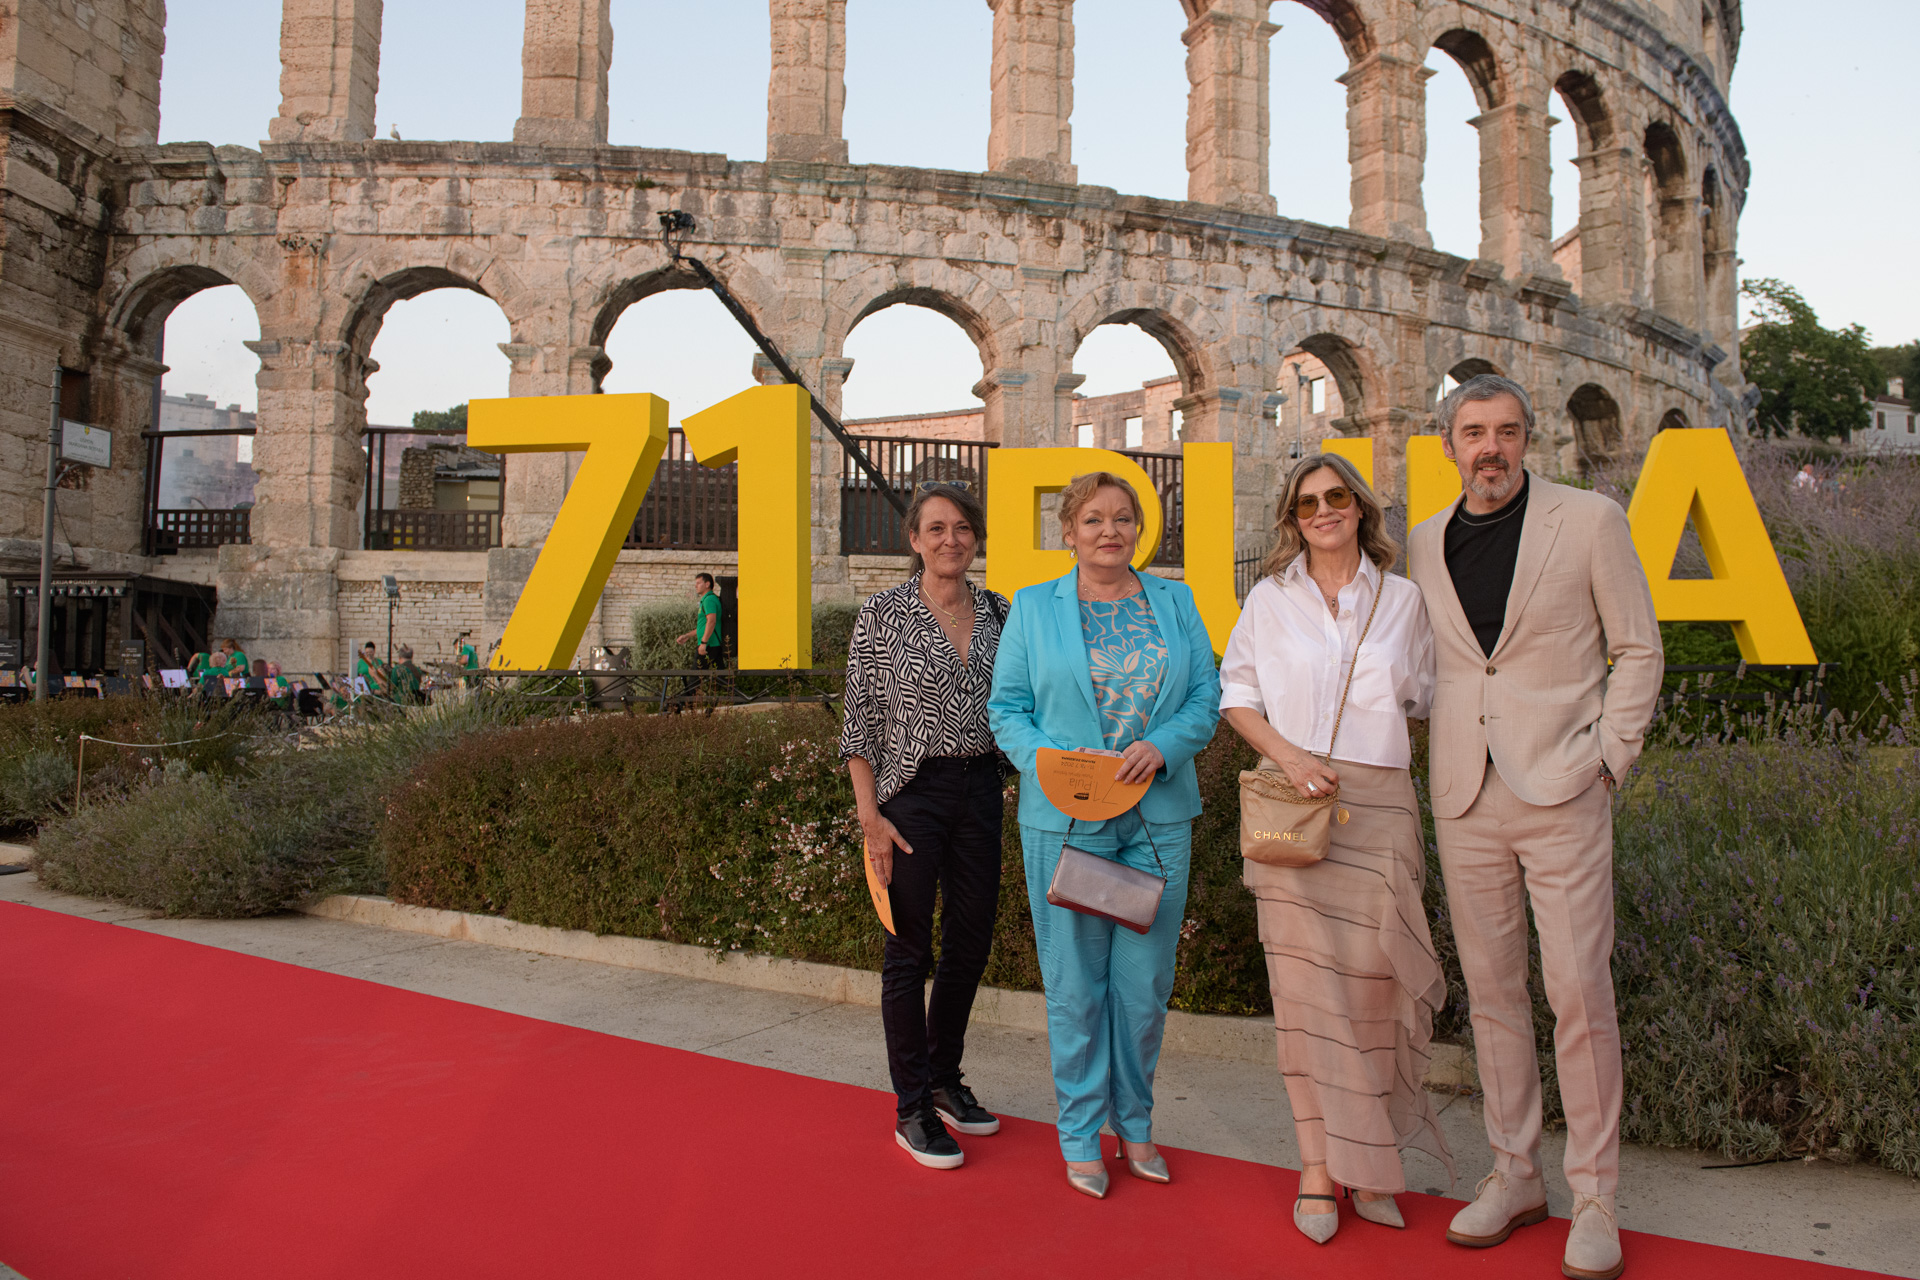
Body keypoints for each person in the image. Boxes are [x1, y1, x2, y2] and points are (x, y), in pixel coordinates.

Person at [1409, 374, 1661, 1280]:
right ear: (1449, 443)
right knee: (1492, 993)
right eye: (1474, 432)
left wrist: (1608, 758)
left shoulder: (1588, 521)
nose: (1491, 448)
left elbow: (1638, 646)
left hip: (1563, 788)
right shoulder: (1425, 541)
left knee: (1579, 993)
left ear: (1528, 439)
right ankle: (1516, 1171)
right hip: (1466, 796)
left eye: (1507, 431)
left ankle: (1594, 1193)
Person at [1218, 454, 1454, 1243]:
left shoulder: (1405, 599)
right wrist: (1291, 756)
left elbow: (1424, 696)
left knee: (1375, 990)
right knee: (1307, 1000)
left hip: (1379, 808)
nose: (1323, 510)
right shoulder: (1269, 599)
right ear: (1292, 518)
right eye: (1307, 501)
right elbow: (1238, 696)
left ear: (1359, 507)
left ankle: (1371, 1161)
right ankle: (1320, 1168)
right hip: (1291, 804)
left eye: (1336, 497)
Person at [987, 471, 1221, 1199]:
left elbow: (1208, 696)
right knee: (1075, 987)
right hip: (1068, 823)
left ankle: (1138, 1125)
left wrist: (1168, 744)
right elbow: (1008, 710)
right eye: (1094, 519)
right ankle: (1082, 1133)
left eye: (1124, 518)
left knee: (1143, 987)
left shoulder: (1175, 601)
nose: (1110, 531)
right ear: (1068, 532)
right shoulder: (1033, 609)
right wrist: (1053, 767)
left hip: (1157, 820)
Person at [841, 483, 1010, 1171]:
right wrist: (870, 817)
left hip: (981, 789)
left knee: (969, 945)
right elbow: (859, 722)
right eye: (935, 528)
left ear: (975, 539)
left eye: (962, 527)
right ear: (913, 539)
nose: (950, 539)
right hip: (909, 794)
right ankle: (911, 1105)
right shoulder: (882, 615)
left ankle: (944, 1079)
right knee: (908, 952)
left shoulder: (1003, 612)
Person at [676, 573, 725, 670]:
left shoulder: (709, 600)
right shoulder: (708, 599)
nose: (695, 586)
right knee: (721, 678)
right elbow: (704, 625)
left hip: (709, 645)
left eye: (698, 583)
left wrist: (703, 643)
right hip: (712, 644)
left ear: (707, 584)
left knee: (695, 678)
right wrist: (688, 635)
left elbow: (711, 622)